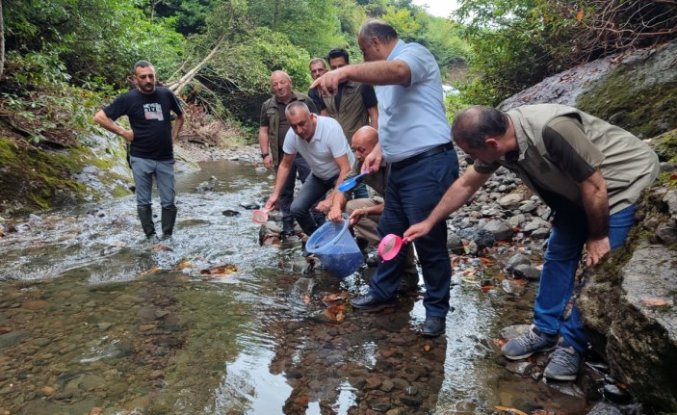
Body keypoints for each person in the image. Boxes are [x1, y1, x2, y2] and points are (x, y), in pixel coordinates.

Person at [404, 104, 660, 380]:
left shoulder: (553, 128)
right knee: (558, 255)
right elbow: (467, 184)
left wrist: (597, 237)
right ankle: (545, 329)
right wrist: (430, 221)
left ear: (490, 143)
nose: (469, 158)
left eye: (471, 153)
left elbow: (595, 185)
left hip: (620, 183)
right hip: (575, 190)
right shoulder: (500, 143)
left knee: (600, 267)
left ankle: (573, 345)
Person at [312, 20, 459, 338]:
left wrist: (345, 72)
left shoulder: (414, 54)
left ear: (375, 43)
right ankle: (383, 291)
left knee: (428, 240)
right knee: (389, 234)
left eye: (364, 53)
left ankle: (436, 310)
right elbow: (394, 118)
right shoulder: (382, 79)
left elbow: (398, 72)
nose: (364, 61)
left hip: (429, 162)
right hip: (401, 166)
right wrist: (380, 147)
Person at [94, 60, 184, 240]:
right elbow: (100, 117)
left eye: (151, 76)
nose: (148, 80)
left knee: (169, 202)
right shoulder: (128, 99)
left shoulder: (166, 94)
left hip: (165, 157)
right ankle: (150, 237)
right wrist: (123, 132)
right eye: (143, 77)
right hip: (140, 157)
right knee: (144, 201)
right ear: (135, 79)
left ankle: (167, 237)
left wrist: (172, 138)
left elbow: (181, 116)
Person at [327, 126, 418, 293]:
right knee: (348, 207)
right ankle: (384, 250)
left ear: (378, 146)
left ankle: (409, 273)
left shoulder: (395, 162)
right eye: (354, 150)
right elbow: (346, 185)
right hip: (387, 203)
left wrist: (366, 212)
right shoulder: (362, 160)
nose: (357, 155)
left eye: (361, 150)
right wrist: (335, 207)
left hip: (409, 209)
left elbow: (395, 205)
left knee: (393, 221)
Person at [264, 101, 354, 236]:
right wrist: (275, 195)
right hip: (319, 175)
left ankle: (353, 243)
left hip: (343, 175)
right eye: (294, 126)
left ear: (311, 117)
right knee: (297, 209)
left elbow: (345, 169)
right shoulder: (292, 135)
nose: (299, 130)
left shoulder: (330, 128)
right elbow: (285, 165)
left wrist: (331, 200)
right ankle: (317, 240)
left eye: (302, 124)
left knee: (337, 209)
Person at [259, 71, 319, 238]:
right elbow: (263, 130)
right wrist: (265, 154)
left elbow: (317, 122)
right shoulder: (268, 106)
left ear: (289, 82)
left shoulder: (304, 100)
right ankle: (287, 223)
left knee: (312, 184)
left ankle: (315, 218)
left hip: (305, 152)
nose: (279, 87)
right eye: (275, 84)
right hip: (281, 154)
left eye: (282, 82)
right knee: (285, 189)